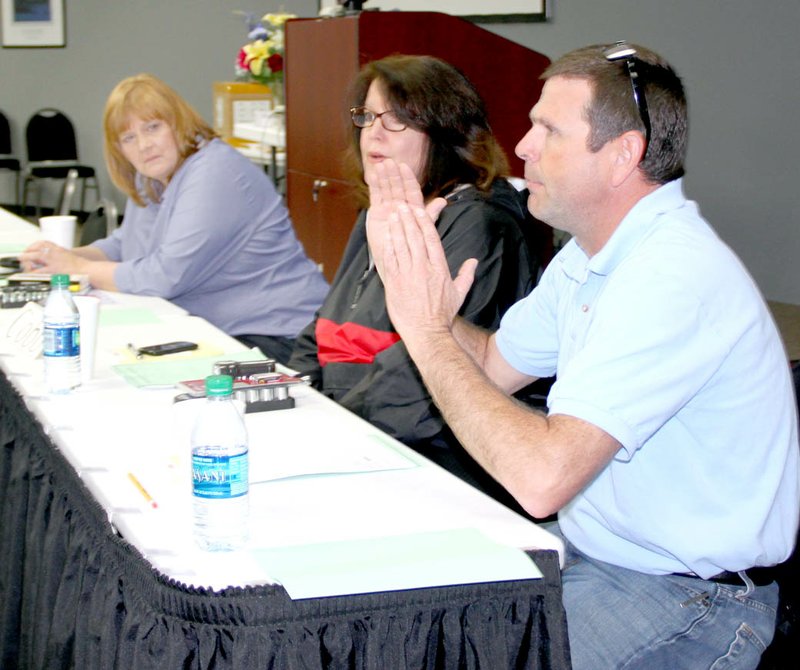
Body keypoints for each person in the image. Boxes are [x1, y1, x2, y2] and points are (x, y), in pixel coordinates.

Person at [365, 43, 800, 669]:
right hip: (597, 555)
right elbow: (490, 366)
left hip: (690, 601)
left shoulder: (671, 275)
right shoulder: (592, 254)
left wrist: (429, 336)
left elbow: (542, 480)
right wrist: (422, 303)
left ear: (624, 153)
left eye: (548, 130)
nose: (522, 147)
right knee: (403, 611)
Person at [288, 55, 536, 496]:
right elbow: (323, 326)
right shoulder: (384, 208)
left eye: (398, 119)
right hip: (350, 431)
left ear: (446, 132)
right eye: (366, 116)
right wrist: (293, 399)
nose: (374, 132)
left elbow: (424, 381)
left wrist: (325, 431)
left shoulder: (479, 225)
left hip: (429, 460)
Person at [20, 73, 328, 365]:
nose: (144, 145)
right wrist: (62, 258)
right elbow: (124, 244)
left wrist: (78, 268)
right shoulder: (153, 177)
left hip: (280, 337)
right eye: (128, 138)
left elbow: (164, 277)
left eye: (153, 127)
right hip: (221, 329)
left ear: (178, 123)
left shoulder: (215, 172)